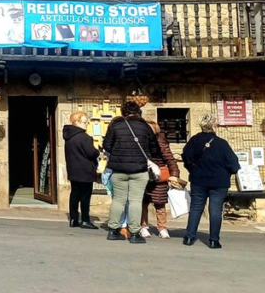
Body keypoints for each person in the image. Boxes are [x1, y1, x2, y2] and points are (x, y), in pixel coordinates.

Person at [103, 100, 162, 244]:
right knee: (135, 200)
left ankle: (113, 230)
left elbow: (107, 146)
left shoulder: (115, 126)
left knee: (118, 200)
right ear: (139, 112)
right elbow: (155, 149)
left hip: (118, 169)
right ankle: (135, 232)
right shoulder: (145, 127)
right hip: (139, 169)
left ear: (123, 112)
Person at [182, 114, 240, 249]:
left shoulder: (194, 140)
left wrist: (193, 169)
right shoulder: (222, 143)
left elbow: (186, 157)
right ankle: (214, 240)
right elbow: (234, 164)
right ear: (214, 126)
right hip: (219, 181)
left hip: (199, 179)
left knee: (196, 208)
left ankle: (189, 237)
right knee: (215, 209)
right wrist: (227, 173)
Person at [140, 121, 182, 239]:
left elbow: (169, 159)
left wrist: (174, 174)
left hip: (158, 175)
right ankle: (146, 227)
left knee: (159, 203)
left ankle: (161, 228)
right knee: (146, 203)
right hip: (147, 174)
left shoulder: (160, 141)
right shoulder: (143, 141)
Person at [63, 110, 100, 230]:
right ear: (77, 122)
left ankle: (73, 219)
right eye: (85, 121)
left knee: (74, 194)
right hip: (85, 170)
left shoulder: (68, 137)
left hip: (73, 170)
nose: (87, 124)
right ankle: (85, 219)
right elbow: (91, 153)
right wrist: (97, 151)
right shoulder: (85, 137)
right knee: (85, 196)